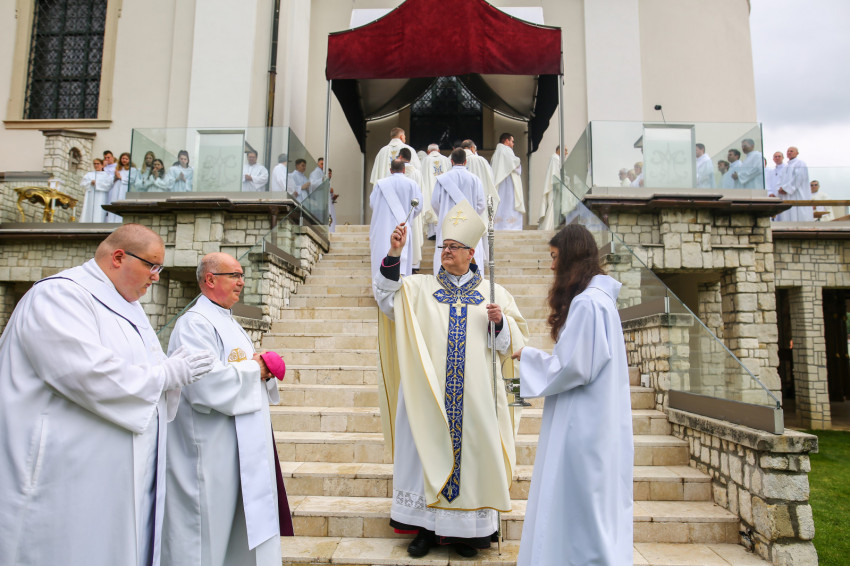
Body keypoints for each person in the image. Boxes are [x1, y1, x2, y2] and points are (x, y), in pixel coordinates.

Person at [0, 224, 216, 566]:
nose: (156, 276)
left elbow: (142, 369)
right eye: (152, 266)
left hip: (115, 477)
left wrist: (169, 369)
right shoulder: (59, 296)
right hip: (63, 478)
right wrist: (166, 374)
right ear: (118, 257)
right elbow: (85, 373)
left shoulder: (128, 306)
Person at [373, 200, 528, 558]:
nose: (446, 251)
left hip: (475, 399)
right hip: (427, 396)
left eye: (455, 247)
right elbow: (385, 298)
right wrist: (395, 252)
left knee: (471, 460)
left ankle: (466, 534)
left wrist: (500, 323)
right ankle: (424, 529)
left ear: (472, 253)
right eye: (444, 245)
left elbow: (515, 348)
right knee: (425, 455)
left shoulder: (495, 295)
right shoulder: (418, 288)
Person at [513, 224, 633, 566]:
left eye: (555, 257)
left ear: (570, 257)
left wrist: (528, 357)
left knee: (582, 511)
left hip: (582, 425)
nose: (552, 266)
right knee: (588, 509)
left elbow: (573, 367)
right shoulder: (600, 302)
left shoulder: (588, 304)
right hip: (596, 419)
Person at [163, 252, 290, 566]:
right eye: (234, 275)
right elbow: (204, 383)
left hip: (238, 447)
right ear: (210, 279)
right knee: (205, 534)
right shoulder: (194, 323)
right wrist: (257, 369)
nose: (241, 282)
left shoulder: (227, 321)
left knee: (235, 533)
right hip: (208, 451)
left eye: (241, 275)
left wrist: (259, 369)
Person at [430, 148, 486, 275]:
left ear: (451, 161)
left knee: (445, 252)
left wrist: (444, 215)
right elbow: (481, 204)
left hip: (447, 225)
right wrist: (471, 215)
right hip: (469, 225)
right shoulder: (475, 179)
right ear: (465, 161)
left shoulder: (442, 179)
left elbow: (434, 202)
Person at [369, 159, 422, 279]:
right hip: (403, 229)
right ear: (404, 169)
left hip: (382, 230)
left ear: (390, 170)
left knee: (381, 260)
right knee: (402, 266)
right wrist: (408, 218)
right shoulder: (412, 184)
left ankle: (380, 288)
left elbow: (373, 204)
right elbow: (418, 206)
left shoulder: (380, 184)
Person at [491, 132, 525, 229]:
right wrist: (518, 162)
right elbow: (515, 163)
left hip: (500, 182)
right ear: (506, 141)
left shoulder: (496, 153)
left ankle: (499, 225)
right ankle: (511, 226)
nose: (513, 144)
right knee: (510, 203)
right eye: (512, 141)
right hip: (508, 182)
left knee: (501, 204)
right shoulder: (506, 150)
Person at [398, 147, 425, 271]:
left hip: (397, 211)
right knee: (414, 236)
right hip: (413, 211)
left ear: (400, 157)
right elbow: (421, 194)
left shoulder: (395, 173)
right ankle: (414, 265)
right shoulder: (417, 173)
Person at [420, 143, 451, 239]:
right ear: (439, 150)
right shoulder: (446, 160)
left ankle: (432, 233)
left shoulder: (425, 160)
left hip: (429, 189)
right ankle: (444, 233)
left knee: (430, 205)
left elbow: (422, 177)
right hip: (444, 188)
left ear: (428, 151)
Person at [775, 146, 812, 222]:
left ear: (797, 153)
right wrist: (779, 189)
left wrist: (786, 188)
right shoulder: (785, 167)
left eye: (791, 151)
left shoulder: (800, 163)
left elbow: (799, 178)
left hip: (797, 194)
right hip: (786, 196)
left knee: (799, 214)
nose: (789, 152)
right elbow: (780, 180)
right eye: (788, 151)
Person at [106, 152, 138, 222]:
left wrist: (120, 177)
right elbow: (112, 180)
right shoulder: (118, 168)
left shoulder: (132, 169)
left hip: (124, 188)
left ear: (129, 160)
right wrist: (116, 178)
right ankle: (112, 221)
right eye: (123, 158)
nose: (124, 160)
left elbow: (131, 180)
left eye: (126, 159)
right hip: (116, 188)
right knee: (114, 201)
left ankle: (120, 220)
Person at [79, 157, 113, 222]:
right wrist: (90, 183)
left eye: (98, 164)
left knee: (98, 211)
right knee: (89, 209)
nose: (96, 165)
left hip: (100, 196)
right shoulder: (89, 174)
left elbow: (108, 185)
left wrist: (97, 183)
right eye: (94, 164)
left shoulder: (106, 175)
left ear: (102, 165)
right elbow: (82, 183)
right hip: (90, 196)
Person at [538, 146, 562, 230]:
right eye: (565, 150)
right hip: (554, 187)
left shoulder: (555, 158)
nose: (566, 153)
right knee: (552, 206)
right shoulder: (555, 159)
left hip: (554, 186)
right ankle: (548, 227)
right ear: (559, 150)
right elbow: (556, 174)